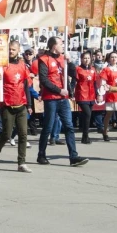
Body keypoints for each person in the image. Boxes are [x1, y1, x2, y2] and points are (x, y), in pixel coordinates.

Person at [37, 37, 89, 167]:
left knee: (69, 126)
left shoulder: (63, 58)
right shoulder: (44, 59)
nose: (62, 45)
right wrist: (59, 90)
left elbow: (74, 73)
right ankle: (41, 154)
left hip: (63, 99)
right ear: (54, 46)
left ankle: (73, 156)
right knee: (48, 126)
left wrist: (70, 61)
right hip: (51, 98)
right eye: (60, 43)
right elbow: (44, 80)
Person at [0, 41, 32, 172]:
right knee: (6, 134)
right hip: (7, 104)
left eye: (13, 49)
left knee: (23, 134)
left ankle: (21, 162)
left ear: (18, 50)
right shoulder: (1, 66)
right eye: (9, 49)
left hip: (21, 104)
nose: (11, 51)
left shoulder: (22, 65)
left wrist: (29, 104)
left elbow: (26, 86)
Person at [99, 52, 117, 141]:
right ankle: (105, 131)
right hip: (110, 94)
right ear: (109, 58)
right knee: (109, 114)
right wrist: (101, 94)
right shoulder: (106, 69)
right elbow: (103, 82)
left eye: (115, 57)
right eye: (112, 57)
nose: (114, 59)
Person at [73, 51, 97, 144]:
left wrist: (97, 94)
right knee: (87, 114)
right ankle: (85, 135)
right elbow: (74, 82)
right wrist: (72, 93)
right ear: (81, 59)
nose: (86, 60)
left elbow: (95, 82)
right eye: (84, 58)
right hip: (82, 94)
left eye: (88, 58)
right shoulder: (78, 69)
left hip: (91, 95)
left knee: (87, 116)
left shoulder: (93, 69)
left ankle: (84, 135)